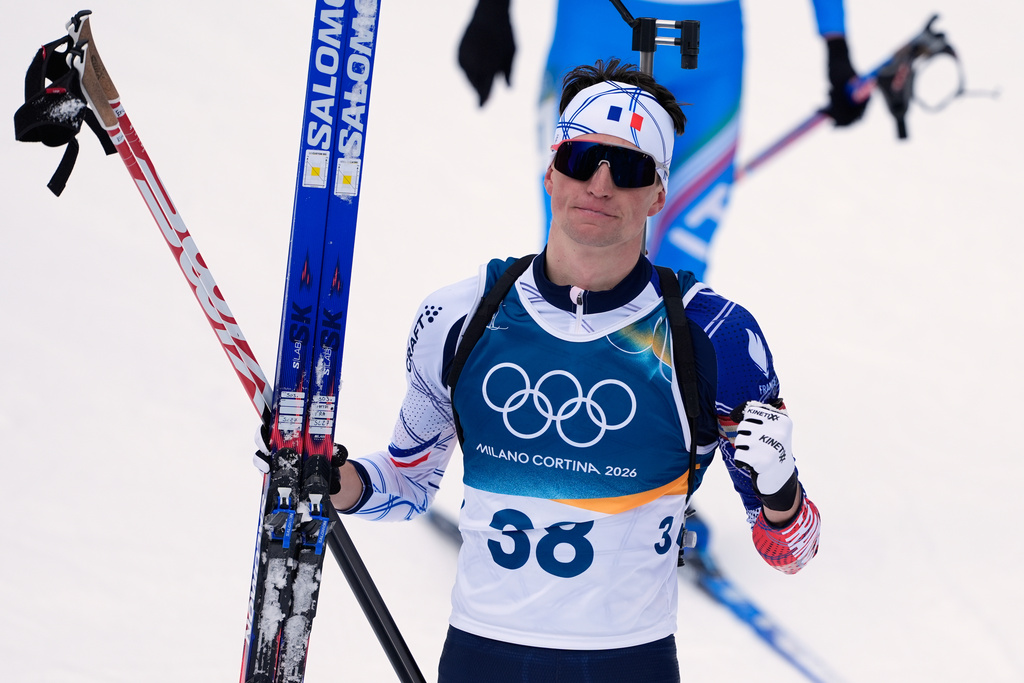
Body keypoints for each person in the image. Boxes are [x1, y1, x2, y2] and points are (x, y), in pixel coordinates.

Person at [329, 59, 821, 682]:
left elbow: (790, 551)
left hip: (627, 663)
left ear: (659, 193)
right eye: (583, 159)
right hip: (481, 656)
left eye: (632, 168)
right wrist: (333, 477)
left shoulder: (714, 335)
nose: (601, 184)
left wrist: (780, 493)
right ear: (552, 172)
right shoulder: (462, 314)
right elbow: (406, 485)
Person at [457, 0, 868, 280]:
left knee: (681, 262)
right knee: (579, 237)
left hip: (709, 54)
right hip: (598, 32)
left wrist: (836, 40)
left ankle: (664, 394)